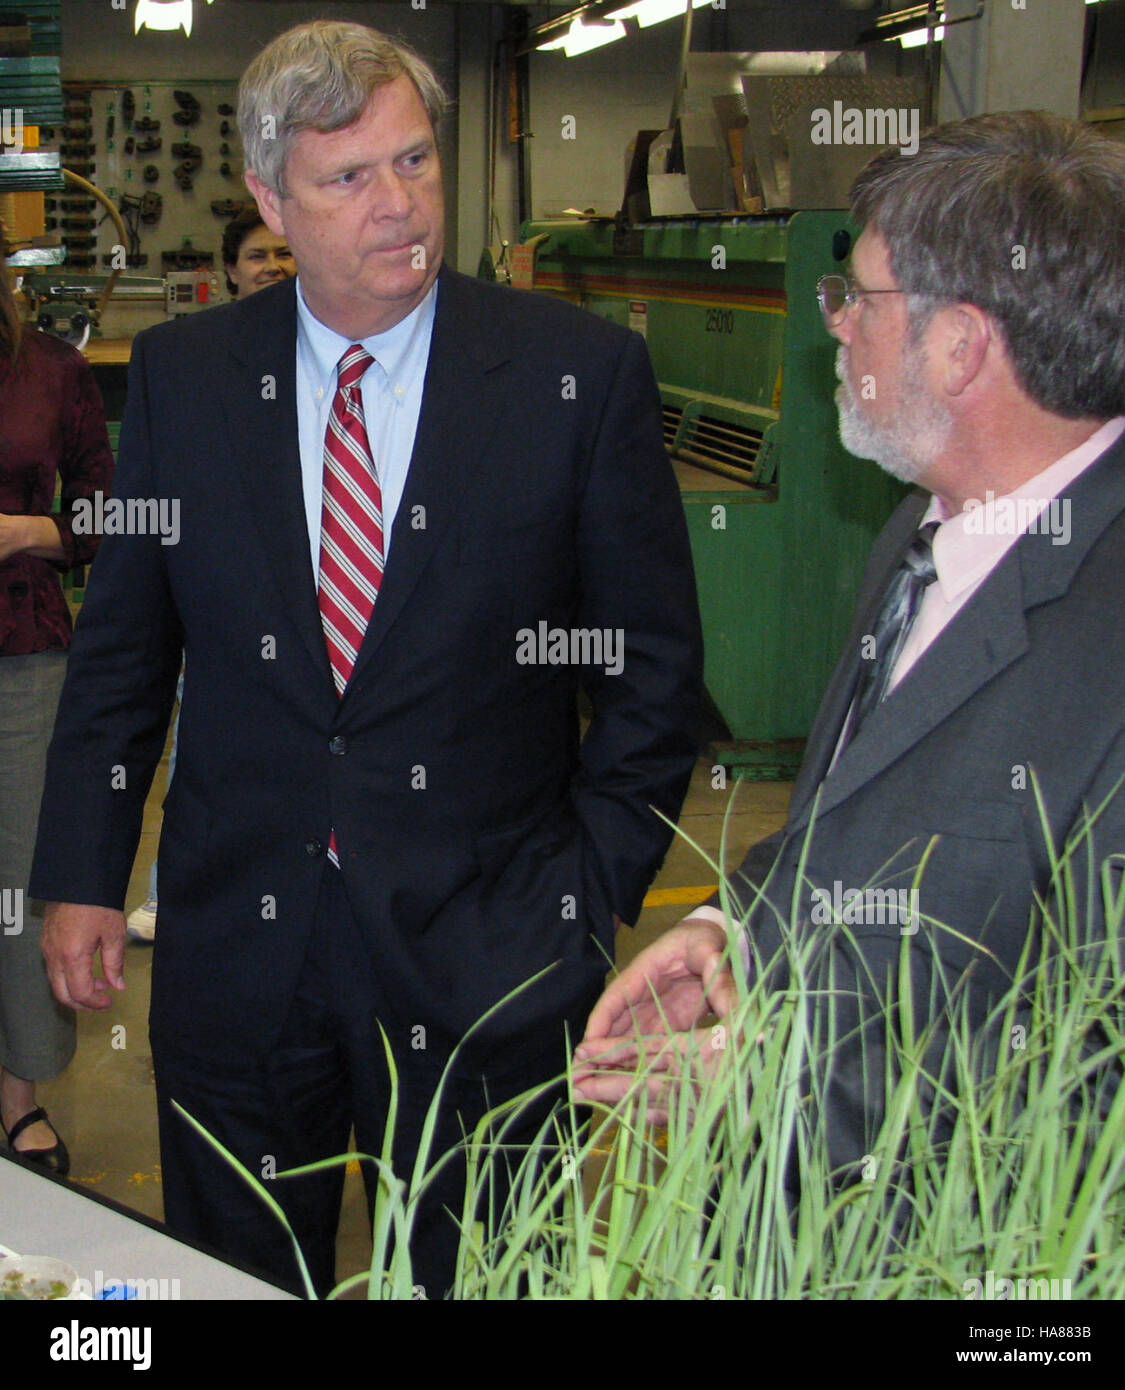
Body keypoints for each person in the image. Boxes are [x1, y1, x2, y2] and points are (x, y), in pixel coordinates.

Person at [30, 20, 702, 1297]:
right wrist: (79, 872)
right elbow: (123, 649)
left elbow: (649, 670)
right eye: (349, 179)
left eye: (415, 163)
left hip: (488, 948)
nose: (400, 208)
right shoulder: (186, 378)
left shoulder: (575, 376)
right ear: (269, 196)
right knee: (234, 1270)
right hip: (240, 946)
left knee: (483, 1275)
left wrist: (592, 888)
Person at [575, 112, 1125, 1167]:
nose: (831, 324)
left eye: (859, 299)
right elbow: (862, 815)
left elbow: (1108, 1078)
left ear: (962, 344)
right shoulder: (924, 530)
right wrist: (737, 930)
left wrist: (783, 1082)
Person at [126, 204, 295, 943]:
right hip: (220, 611)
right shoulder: (191, 367)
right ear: (230, 270)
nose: (273, 267)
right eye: (258, 255)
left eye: (283, 253)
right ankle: (171, 895)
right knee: (194, 745)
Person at [0, 237, 114, 1173]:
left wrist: (29, 533)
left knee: (17, 888)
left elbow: (115, 511)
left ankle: (19, 1098)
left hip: (21, 660)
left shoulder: (52, 371)